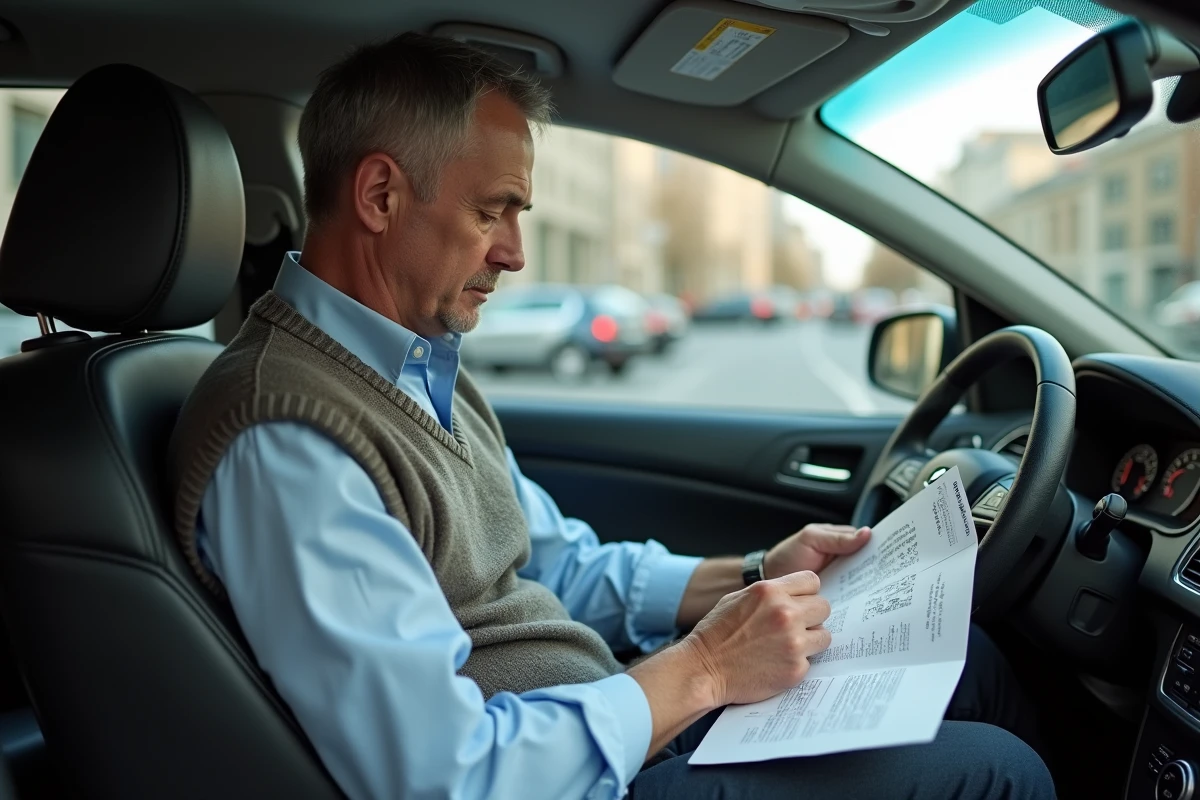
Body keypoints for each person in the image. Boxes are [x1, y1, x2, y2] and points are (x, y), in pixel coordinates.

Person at [168, 32, 1055, 800]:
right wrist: (704, 669)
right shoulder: (285, 437)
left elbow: (553, 560)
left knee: (964, 659)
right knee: (994, 773)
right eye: (493, 212)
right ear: (380, 196)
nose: (515, 253)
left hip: (603, 726)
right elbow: (445, 776)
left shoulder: (414, 359)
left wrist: (748, 575)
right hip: (572, 774)